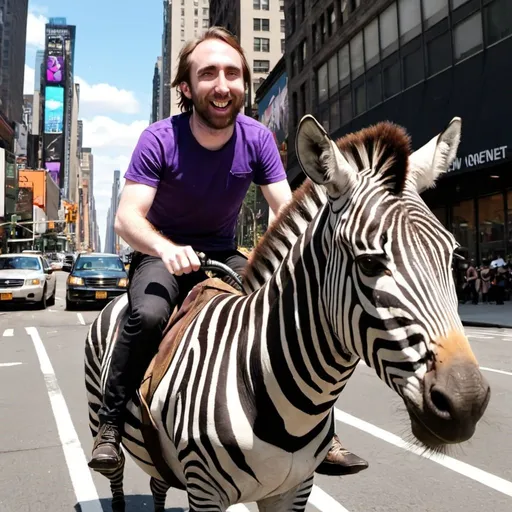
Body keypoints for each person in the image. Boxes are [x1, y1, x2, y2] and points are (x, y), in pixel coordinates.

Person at [88, 27, 368, 477]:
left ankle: (323, 432)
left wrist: (293, 261)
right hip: (162, 253)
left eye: (233, 74)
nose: (222, 85)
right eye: (209, 74)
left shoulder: (257, 139)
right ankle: (109, 426)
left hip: (224, 253)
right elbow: (127, 219)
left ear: (243, 85)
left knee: (298, 315)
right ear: (186, 87)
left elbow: (284, 211)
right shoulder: (159, 139)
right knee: (149, 314)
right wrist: (165, 247)